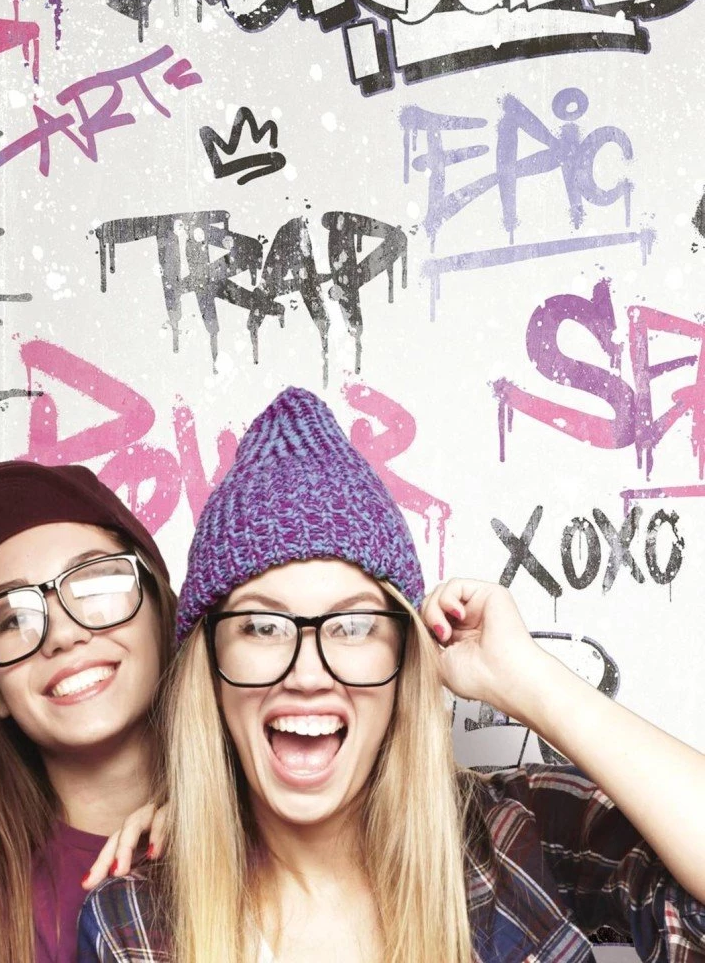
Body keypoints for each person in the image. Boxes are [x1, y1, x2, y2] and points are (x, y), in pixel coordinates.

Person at [78, 387, 705, 963]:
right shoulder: (134, 924)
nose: (307, 674)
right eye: (263, 627)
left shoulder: (511, 841)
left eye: (352, 625)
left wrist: (529, 682)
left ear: (405, 657)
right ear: (209, 670)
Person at [0, 461, 176, 963]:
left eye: (94, 585)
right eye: (14, 618)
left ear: (163, 615)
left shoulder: (279, 819)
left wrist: (211, 818)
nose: (63, 634)